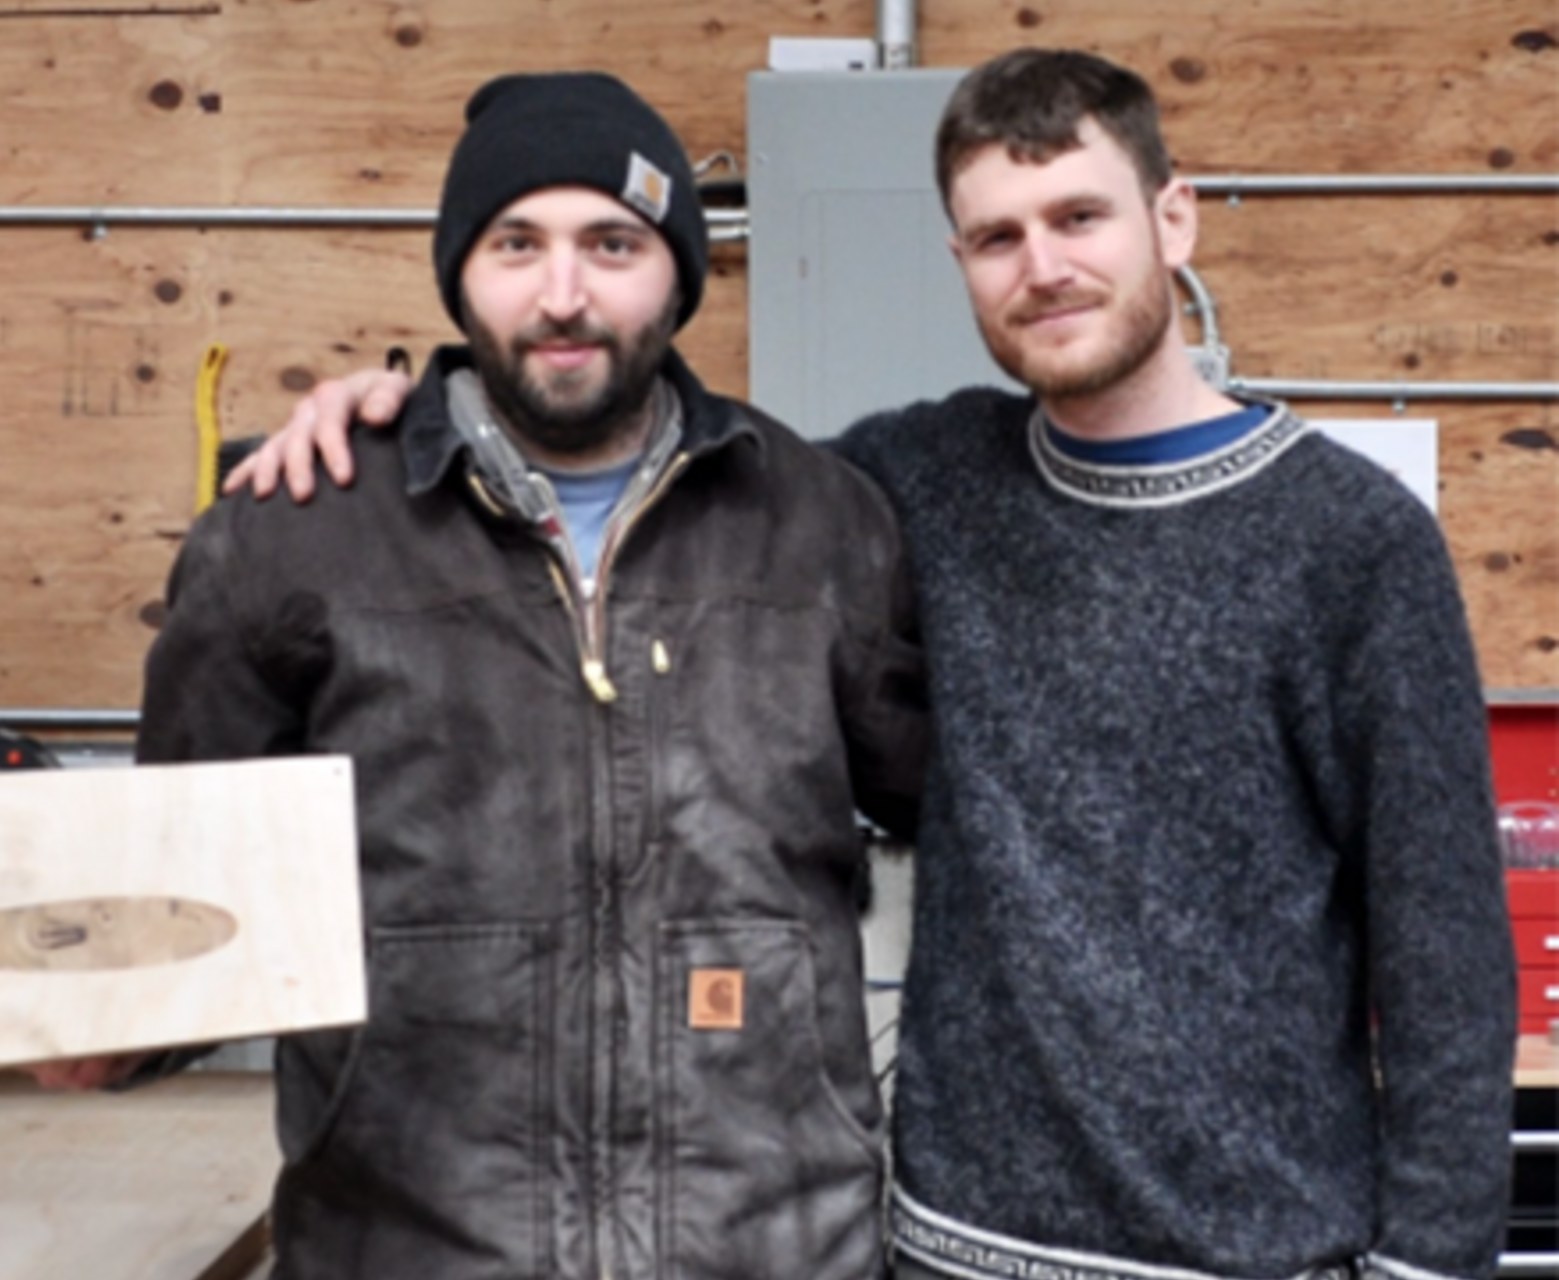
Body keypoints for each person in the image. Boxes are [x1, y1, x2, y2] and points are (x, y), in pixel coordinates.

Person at [229, 47, 1518, 1280]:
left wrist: (1427, 1258)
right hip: (952, 1238)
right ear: (959, 261)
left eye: (1082, 216)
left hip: (1258, 1247)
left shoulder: (1353, 541)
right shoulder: (913, 484)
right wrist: (403, 407)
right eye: (1000, 237)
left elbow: (1447, 954)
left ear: (1173, 220)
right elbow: (667, 472)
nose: (1046, 267)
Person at [54, 70, 930, 1280]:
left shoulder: (824, 523)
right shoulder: (296, 529)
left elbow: (967, 811)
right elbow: (174, 866)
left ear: (680, 271)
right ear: (460, 271)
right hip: (410, 1243)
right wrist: (101, 1022)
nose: (562, 294)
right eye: (517, 242)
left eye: (612, 244)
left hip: (772, 1243)